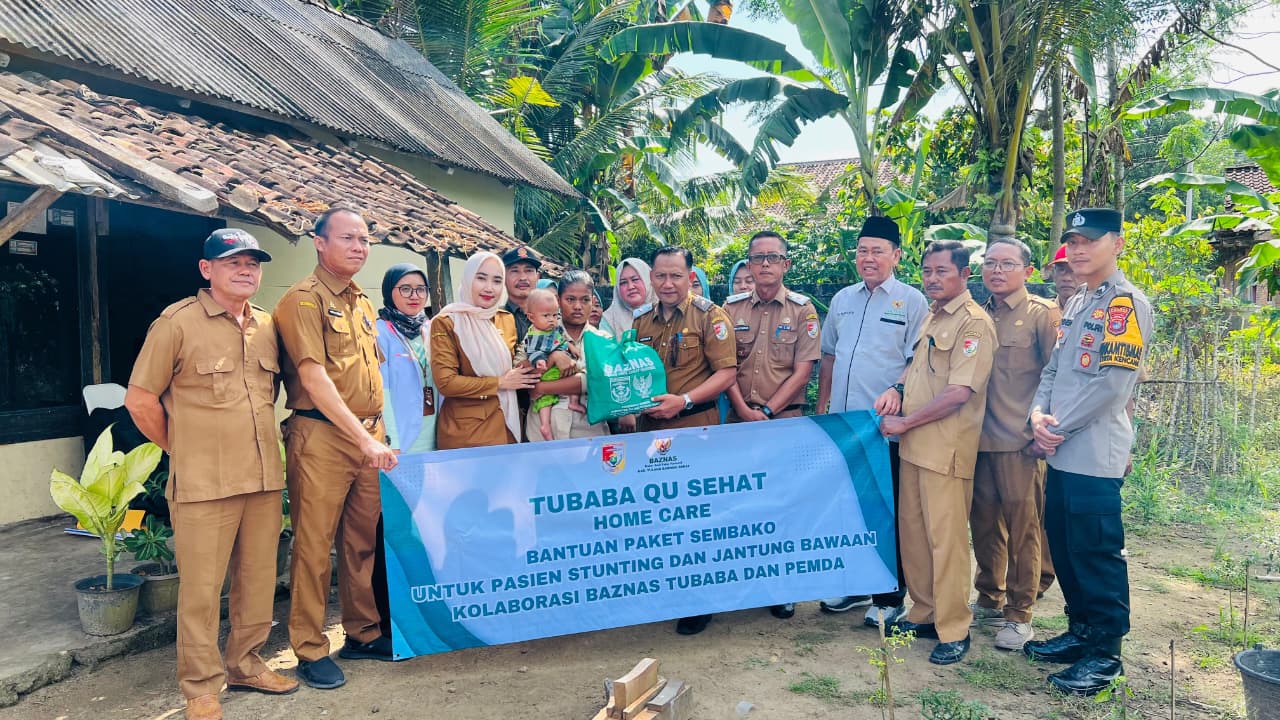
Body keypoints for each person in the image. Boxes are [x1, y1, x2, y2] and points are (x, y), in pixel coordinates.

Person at [125, 229, 297, 720]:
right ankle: (200, 687)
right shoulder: (177, 324)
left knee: (259, 580)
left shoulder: (266, 325)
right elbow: (140, 400)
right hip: (203, 484)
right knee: (202, 590)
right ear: (207, 270)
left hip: (263, 478)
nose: (246, 270)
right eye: (233, 262)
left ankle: (246, 663)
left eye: (253, 263)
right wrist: (181, 447)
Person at [1024, 208, 1152, 695]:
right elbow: (1054, 370)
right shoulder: (1078, 302)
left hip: (1093, 452)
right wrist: (1038, 417)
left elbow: (1114, 385)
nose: (1077, 250)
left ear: (1116, 243)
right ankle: (1081, 631)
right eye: (1071, 242)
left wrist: (1055, 427)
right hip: (1059, 447)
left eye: (1089, 241)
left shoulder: (1125, 303)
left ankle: (1105, 654)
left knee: (1096, 551)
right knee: (1067, 544)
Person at [274, 208, 398, 690]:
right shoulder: (302, 301)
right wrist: (363, 437)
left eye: (365, 239)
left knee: (361, 541)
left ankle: (363, 632)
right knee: (312, 548)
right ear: (319, 243)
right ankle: (308, 647)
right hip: (322, 436)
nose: (359, 247)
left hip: (369, 437)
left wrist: (376, 436)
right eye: (347, 238)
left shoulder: (363, 303)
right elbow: (313, 377)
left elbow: (371, 375)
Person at [877, 240, 995, 666]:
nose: (931, 279)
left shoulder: (974, 324)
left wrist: (906, 422)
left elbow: (960, 392)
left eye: (941, 271)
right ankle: (924, 613)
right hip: (914, 449)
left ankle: (953, 628)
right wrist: (898, 388)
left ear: (965, 275)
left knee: (946, 543)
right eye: (927, 271)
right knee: (914, 536)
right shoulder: (933, 314)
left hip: (945, 450)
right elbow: (918, 366)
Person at [816, 216, 927, 625]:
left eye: (877, 250)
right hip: (844, 426)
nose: (868, 258)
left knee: (884, 508)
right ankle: (854, 586)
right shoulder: (843, 299)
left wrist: (897, 391)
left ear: (896, 255)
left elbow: (919, 360)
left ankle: (889, 594)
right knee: (848, 505)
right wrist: (823, 404)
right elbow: (829, 355)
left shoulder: (913, 302)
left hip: (882, 428)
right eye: (862, 250)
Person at [633, 245, 737, 636]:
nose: (667, 283)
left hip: (695, 430)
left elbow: (726, 373)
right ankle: (669, 592)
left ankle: (700, 601)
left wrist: (686, 400)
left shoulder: (710, 316)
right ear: (652, 279)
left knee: (695, 519)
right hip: (652, 436)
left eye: (676, 275)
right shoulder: (641, 322)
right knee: (660, 516)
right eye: (660, 275)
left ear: (690, 276)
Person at [969, 240, 1061, 651]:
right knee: (984, 525)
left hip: (1020, 444)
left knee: (1025, 529)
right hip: (977, 440)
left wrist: (1045, 433)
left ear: (1027, 271)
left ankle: (1020, 612)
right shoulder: (977, 314)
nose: (997, 271)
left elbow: (1058, 378)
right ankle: (989, 596)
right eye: (990, 263)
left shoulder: (1041, 315)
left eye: (1007, 264)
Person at [723, 231, 820, 620]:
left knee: (782, 505)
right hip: (737, 419)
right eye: (757, 258)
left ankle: (781, 587)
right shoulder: (728, 310)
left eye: (772, 257)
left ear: (785, 264)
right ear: (747, 265)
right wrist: (744, 411)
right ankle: (740, 584)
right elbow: (723, 367)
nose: (764, 264)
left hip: (783, 422)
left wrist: (765, 413)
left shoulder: (803, 310)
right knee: (739, 504)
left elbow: (804, 371)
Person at [372, 263, 437, 639]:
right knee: (395, 528)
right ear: (389, 293)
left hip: (434, 437)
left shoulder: (432, 329)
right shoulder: (380, 331)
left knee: (422, 525)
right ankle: (390, 615)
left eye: (419, 289)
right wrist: (391, 441)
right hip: (401, 443)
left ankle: (422, 602)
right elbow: (382, 390)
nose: (414, 296)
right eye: (405, 289)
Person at [431, 251, 541, 450]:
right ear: (468, 279)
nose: (489, 288)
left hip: (510, 425)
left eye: (497, 281)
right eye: (481, 278)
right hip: (467, 434)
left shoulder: (505, 319)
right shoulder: (448, 322)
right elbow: (446, 382)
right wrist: (499, 383)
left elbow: (515, 362)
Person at [527, 271, 612, 441]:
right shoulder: (538, 331)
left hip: (588, 433)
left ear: (593, 301)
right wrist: (554, 357)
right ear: (558, 301)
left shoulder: (604, 340)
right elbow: (525, 376)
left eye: (585, 300)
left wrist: (542, 388)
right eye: (570, 299)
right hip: (542, 434)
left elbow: (596, 381)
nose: (578, 306)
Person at [519, 287, 585, 441]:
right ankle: (545, 425)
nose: (551, 320)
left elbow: (590, 380)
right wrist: (547, 360)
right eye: (546, 315)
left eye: (555, 315)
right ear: (531, 317)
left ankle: (574, 402)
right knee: (545, 400)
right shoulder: (532, 336)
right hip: (548, 373)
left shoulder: (597, 337)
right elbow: (524, 364)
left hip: (583, 434)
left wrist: (571, 348)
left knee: (576, 370)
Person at [602, 258, 657, 341]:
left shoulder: (664, 310)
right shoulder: (609, 319)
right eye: (623, 282)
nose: (630, 287)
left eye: (635, 279)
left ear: (648, 279)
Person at [502, 245, 542, 343]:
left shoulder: (550, 315)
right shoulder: (495, 319)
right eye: (515, 271)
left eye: (528, 271)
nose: (523, 278)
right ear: (503, 277)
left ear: (537, 277)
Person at [1048, 243, 1078, 311]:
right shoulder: (1043, 312)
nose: (1066, 278)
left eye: (1073, 270)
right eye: (1061, 270)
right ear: (1053, 274)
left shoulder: (1098, 314)